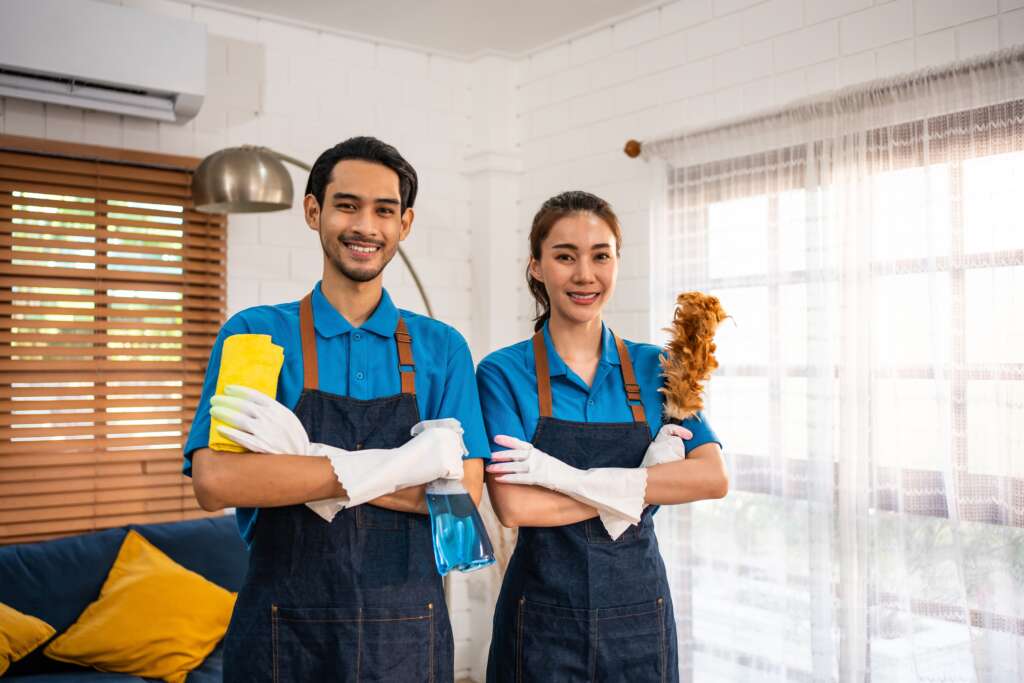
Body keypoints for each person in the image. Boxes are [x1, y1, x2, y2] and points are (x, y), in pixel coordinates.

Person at [183, 136, 489, 682]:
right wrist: (415, 466)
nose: (365, 226)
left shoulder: (442, 348)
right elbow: (217, 481)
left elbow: (462, 496)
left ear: (405, 224)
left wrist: (297, 462)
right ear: (313, 210)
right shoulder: (255, 332)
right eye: (347, 204)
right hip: (282, 632)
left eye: (384, 210)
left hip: (407, 634)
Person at [477, 190, 729, 682]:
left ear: (617, 262)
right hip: (541, 620)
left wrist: (562, 480)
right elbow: (515, 507)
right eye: (565, 256)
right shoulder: (503, 373)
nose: (584, 275)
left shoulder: (659, 367)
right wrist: (641, 487)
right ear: (536, 266)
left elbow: (712, 477)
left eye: (600, 256)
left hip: (640, 616)